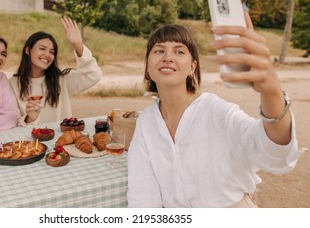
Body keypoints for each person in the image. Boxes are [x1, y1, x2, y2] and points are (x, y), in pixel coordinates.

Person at [127, 13, 302, 208]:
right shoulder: (146, 122)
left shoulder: (215, 111)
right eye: (159, 51)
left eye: (179, 52)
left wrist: (272, 93)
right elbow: (142, 195)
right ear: (148, 68)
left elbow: (275, 155)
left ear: (192, 67)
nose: (168, 58)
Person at [9, 17, 102, 126]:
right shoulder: (13, 84)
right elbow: (13, 124)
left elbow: (94, 75)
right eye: (42, 48)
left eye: (52, 52)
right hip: (30, 142)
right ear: (28, 50)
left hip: (61, 140)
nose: (47, 55)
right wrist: (29, 118)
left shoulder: (63, 80)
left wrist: (78, 44)